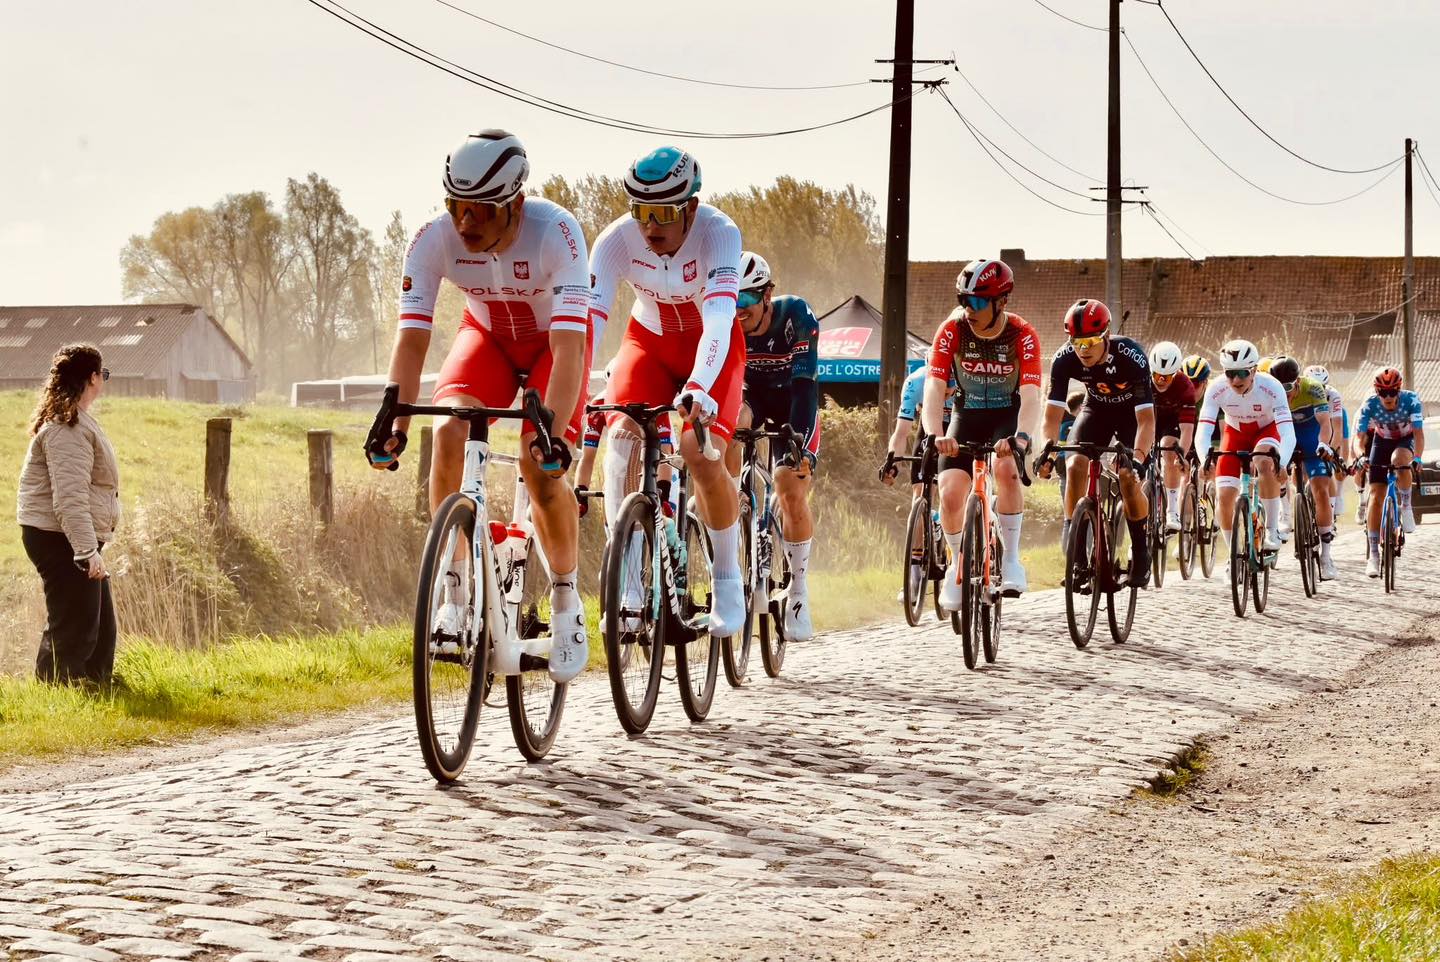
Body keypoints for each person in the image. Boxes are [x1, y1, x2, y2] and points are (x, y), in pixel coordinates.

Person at [368, 130, 592, 683]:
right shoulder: (431, 239)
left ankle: (567, 602)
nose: (466, 222)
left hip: (552, 345)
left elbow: (569, 349)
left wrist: (552, 434)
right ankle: (454, 591)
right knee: (448, 431)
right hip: (488, 338)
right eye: (456, 207)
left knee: (541, 469)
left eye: (482, 210)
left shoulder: (556, 233)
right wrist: (394, 419)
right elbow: (412, 341)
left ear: (516, 203)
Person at [589, 146, 747, 637]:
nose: (649, 226)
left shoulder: (719, 233)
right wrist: (574, 387)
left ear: (691, 208)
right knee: (621, 440)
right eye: (641, 212)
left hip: (711, 344)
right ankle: (629, 587)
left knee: (698, 451)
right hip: (649, 342)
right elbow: (590, 323)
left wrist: (699, 384)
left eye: (662, 214)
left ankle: (727, 578)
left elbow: (718, 317)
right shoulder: (615, 241)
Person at [922, 258, 1042, 603]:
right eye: (963, 300)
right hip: (967, 413)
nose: (968, 309)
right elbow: (934, 387)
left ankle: (1011, 559)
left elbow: (1031, 395)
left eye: (976, 301)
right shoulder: (952, 329)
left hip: (1008, 414)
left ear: (1001, 301)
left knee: (1006, 470)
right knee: (949, 493)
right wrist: (934, 434)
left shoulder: (1022, 334)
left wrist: (1021, 437)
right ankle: (957, 564)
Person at [17, 344, 121, 688]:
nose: (103, 381)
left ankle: (97, 684)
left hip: (69, 534)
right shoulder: (67, 427)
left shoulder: (76, 420)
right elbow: (69, 498)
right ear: (92, 378)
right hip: (58, 536)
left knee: (100, 625)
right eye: (103, 374)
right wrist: (86, 551)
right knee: (74, 622)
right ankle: (58, 688)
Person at [729, 252, 820, 640]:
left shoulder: (796, 315)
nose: (738, 309)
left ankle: (798, 589)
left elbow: (805, 388)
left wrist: (800, 444)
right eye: (732, 298)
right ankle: (732, 507)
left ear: (767, 295)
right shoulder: (726, 320)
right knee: (732, 427)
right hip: (752, 398)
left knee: (788, 486)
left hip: (792, 402)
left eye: (746, 299)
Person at [1037, 299, 1156, 587]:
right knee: (1074, 464)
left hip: (1131, 415)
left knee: (1128, 477)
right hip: (1096, 411)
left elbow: (1146, 421)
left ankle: (1141, 551)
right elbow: (1051, 415)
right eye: (1077, 342)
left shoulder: (1131, 356)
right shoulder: (1064, 359)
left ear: (1106, 335)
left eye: (1090, 342)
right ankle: (1077, 552)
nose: (1083, 349)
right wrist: (1048, 451)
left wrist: (1139, 460)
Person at [1193, 339, 1295, 561]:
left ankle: (1271, 530)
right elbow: (1203, 431)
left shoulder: (1272, 387)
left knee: (1264, 461)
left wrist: (1283, 463)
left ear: (1254, 371)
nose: (1236, 380)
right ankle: (1233, 556)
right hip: (1235, 433)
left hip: (1266, 430)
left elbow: (1288, 432)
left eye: (1242, 373)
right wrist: (1204, 459)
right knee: (1224, 496)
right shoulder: (1217, 388)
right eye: (1230, 374)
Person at [1352, 366, 1426, 577]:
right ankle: (1374, 555)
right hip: (1381, 442)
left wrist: (1417, 458)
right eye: (1383, 392)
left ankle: (1406, 506)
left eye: (1393, 392)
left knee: (1399, 460)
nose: (1388, 397)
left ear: (1399, 390)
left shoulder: (1411, 400)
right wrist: (1361, 456)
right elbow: (1360, 438)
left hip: (1405, 440)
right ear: (1376, 392)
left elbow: (1418, 434)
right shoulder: (1370, 404)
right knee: (1376, 496)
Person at [1269, 356, 1338, 578]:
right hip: (1285, 435)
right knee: (1272, 473)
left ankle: (1326, 556)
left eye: (1288, 388)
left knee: (1321, 489)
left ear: (1298, 381)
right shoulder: (1269, 391)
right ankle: (1284, 514)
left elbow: (1325, 422)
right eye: (1280, 389)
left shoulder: (1313, 388)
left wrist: (1323, 444)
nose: (1285, 394)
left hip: (1311, 436)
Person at [1147, 341, 1197, 532]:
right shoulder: (1142, 379)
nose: (1161, 380)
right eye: (1157, 375)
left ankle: (1172, 510)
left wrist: (1181, 455)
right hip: (1148, 418)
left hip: (1173, 421)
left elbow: (1187, 430)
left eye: (1167, 377)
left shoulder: (1185, 386)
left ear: (1175, 373)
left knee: (1169, 450)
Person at [1304, 363, 1348, 521]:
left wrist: (1331, 451)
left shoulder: (1333, 395)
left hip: (1332, 421)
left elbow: (1337, 431)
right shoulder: (1302, 393)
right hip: (1312, 423)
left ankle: (1333, 505)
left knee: (1330, 464)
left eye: (1323, 386)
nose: (1319, 390)